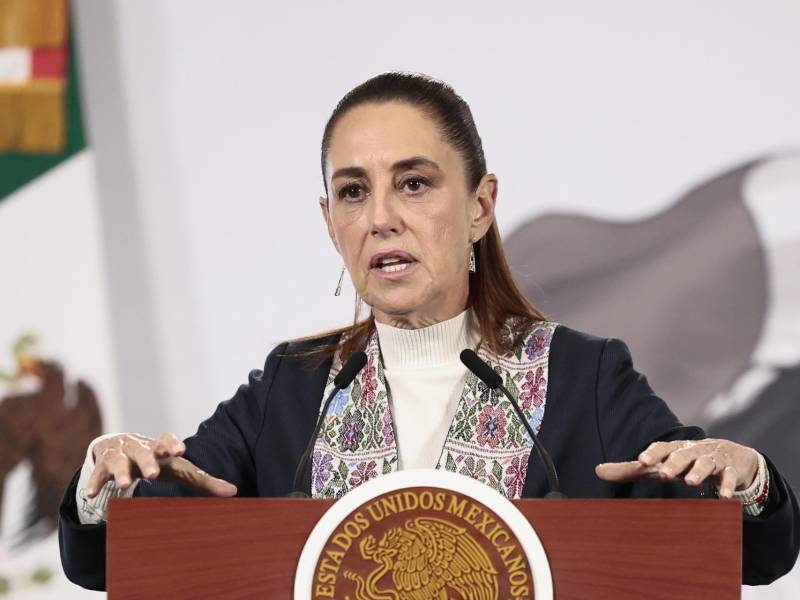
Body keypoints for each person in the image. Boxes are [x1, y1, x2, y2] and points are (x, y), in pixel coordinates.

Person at [58, 72, 799, 591]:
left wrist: (748, 481)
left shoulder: (583, 377)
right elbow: (114, 557)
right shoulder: (295, 387)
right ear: (330, 223)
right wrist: (110, 481)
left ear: (480, 207)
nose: (381, 216)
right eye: (354, 192)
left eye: (414, 183)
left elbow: (750, 553)